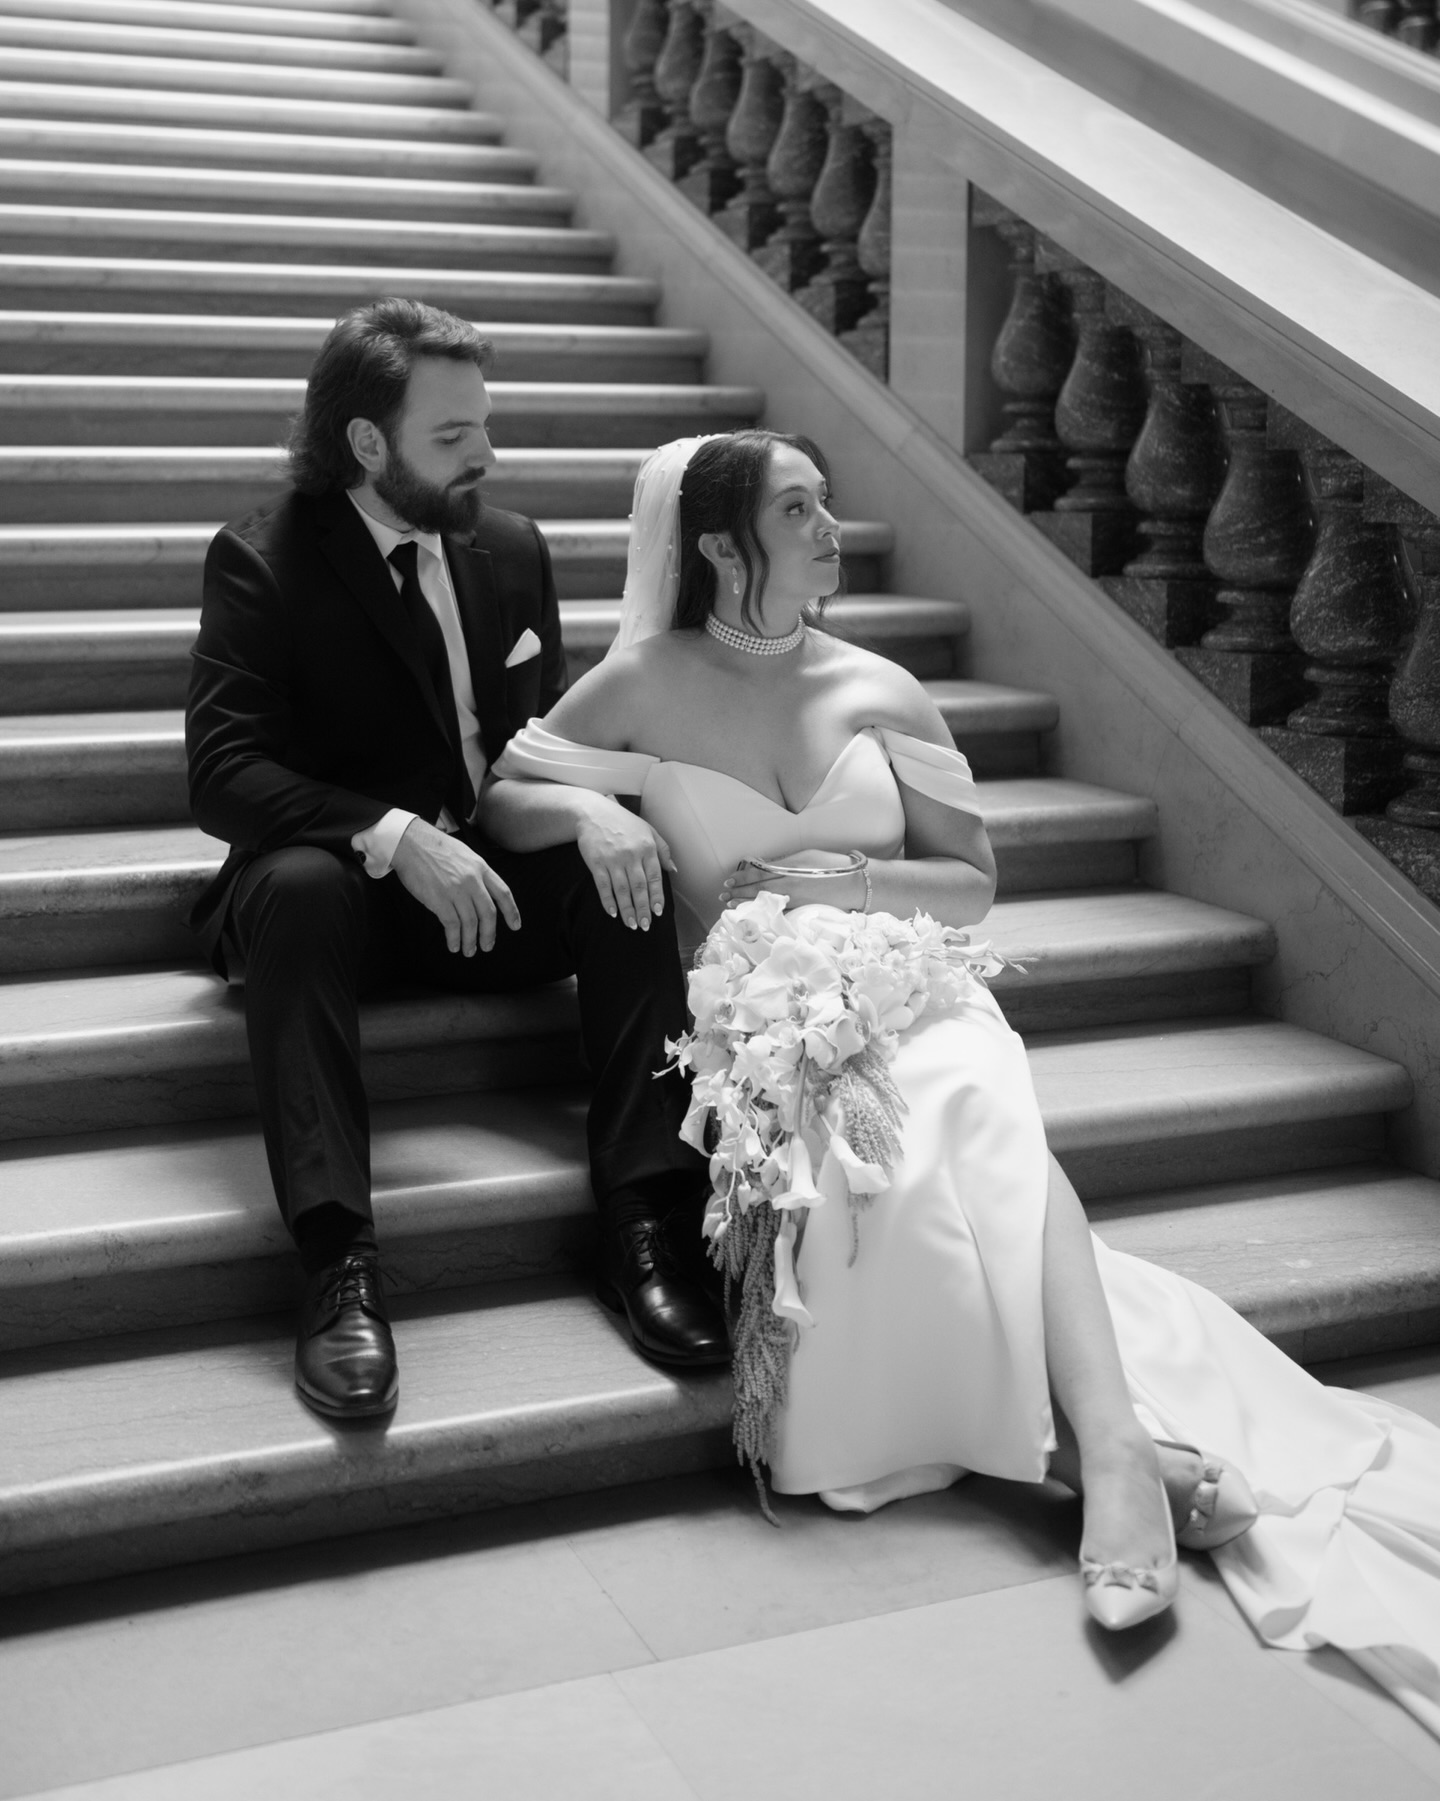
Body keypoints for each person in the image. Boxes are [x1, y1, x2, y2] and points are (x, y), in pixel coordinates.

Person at [483, 431, 1440, 1723]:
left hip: (910, 977)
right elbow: (504, 795)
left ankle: (1104, 1452)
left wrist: (848, 885)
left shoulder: (883, 686)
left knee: (973, 1090)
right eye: (799, 509)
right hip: (748, 1011)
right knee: (876, 1171)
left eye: (828, 503)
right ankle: (1094, 1449)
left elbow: (973, 877)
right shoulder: (639, 684)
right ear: (716, 545)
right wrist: (596, 811)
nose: (832, 528)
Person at [184, 301, 727, 1423]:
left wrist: (589, 813)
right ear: (367, 444)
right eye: (452, 436)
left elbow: (545, 753)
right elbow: (222, 776)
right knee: (292, 881)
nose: (486, 455)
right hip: (344, 906)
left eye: (484, 424)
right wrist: (397, 834)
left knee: (624, 860)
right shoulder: (261, 560)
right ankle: (339, 1267)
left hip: (490, 888)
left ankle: (646, 1222)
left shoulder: (512, 549)